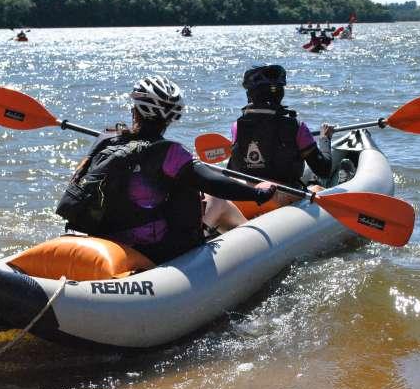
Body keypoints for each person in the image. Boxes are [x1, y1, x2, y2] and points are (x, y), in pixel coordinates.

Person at [56, 76, 277, 263]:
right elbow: (213, 183)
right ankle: (260, 251)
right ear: (171, 118)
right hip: (153, 248)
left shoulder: (106, 139)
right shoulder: (170, 153)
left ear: (135, 110)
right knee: (217, 200)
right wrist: (257, 193)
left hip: (101, 235)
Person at [227, 64, 335, 201]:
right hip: (285, 198)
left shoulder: (237, 127)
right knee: (318, 187)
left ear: (251, 95)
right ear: (280, 94)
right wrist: (325, 138)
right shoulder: (297, 127)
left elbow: (233, 169)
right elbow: (324, 170)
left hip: (249, 197)